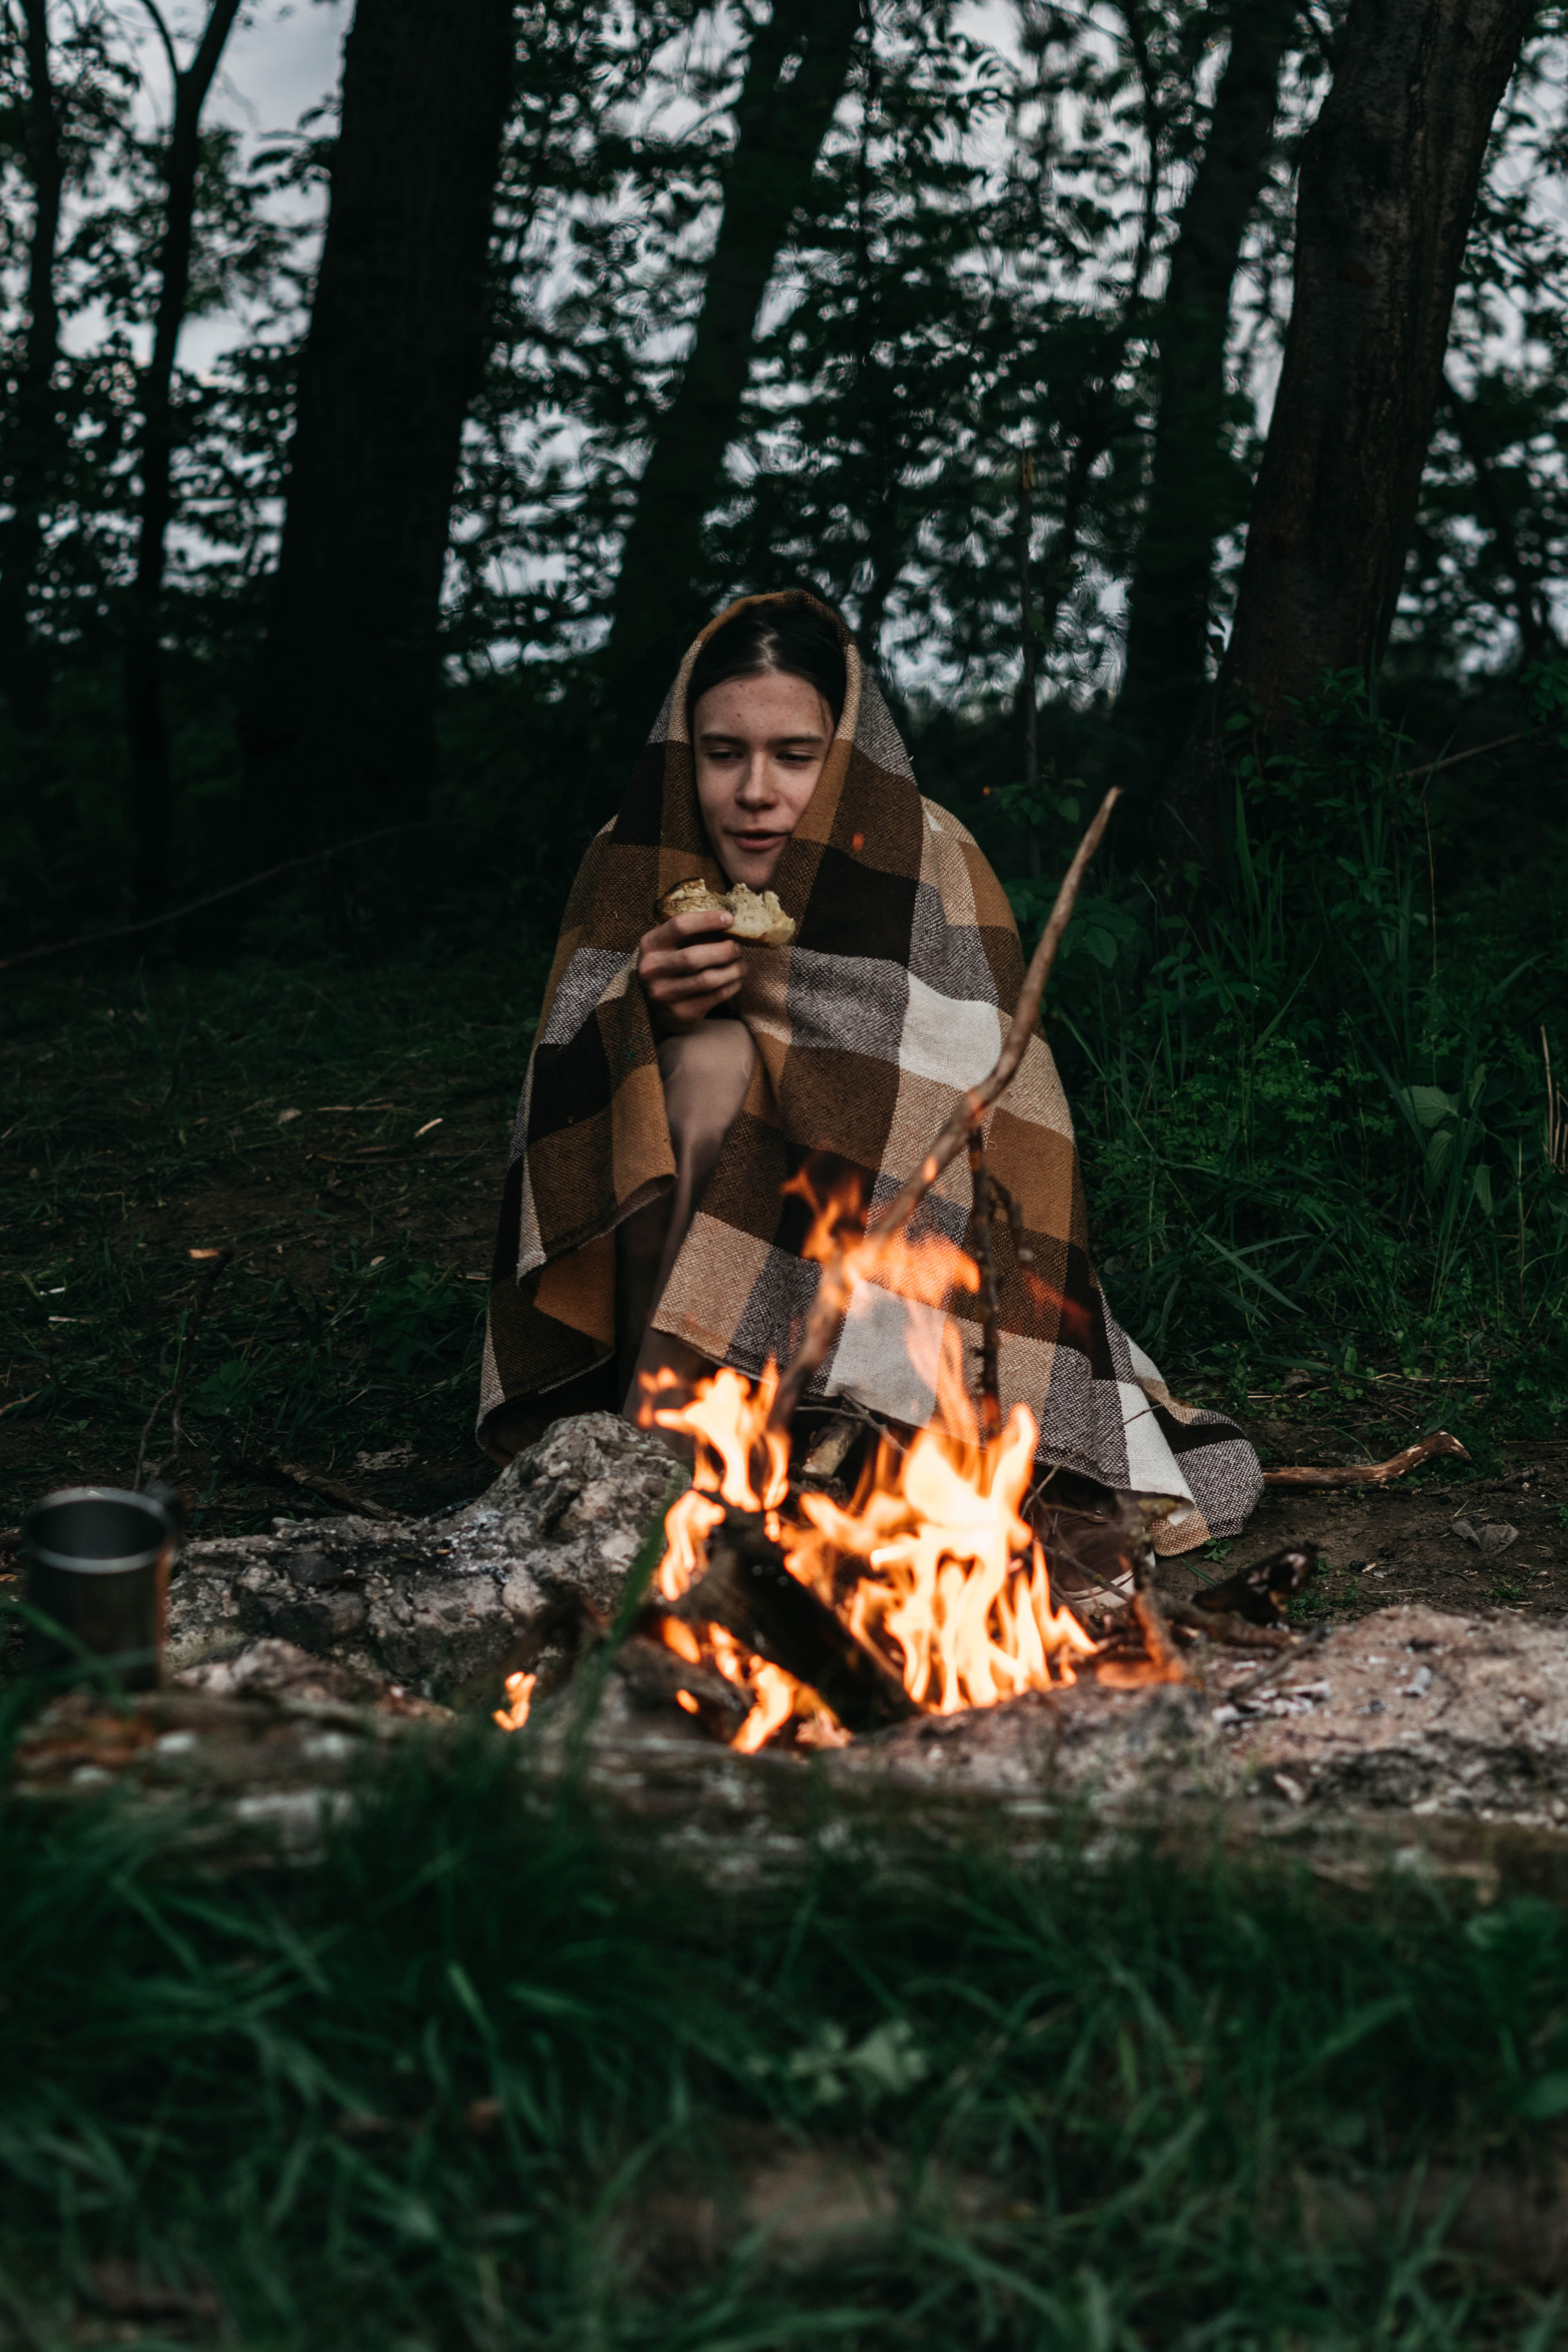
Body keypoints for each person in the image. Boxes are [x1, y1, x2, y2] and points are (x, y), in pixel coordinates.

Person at [479, 590, 1262, 1556]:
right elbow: (559, 1085)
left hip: (874, 1246)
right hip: (677, 1259)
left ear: (845, 751)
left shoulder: (925, 851)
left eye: (795, 756)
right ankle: (663, 1446)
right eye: (723, 754)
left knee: (747, 1079)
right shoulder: (633, 849)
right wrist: (643, 1010)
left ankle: (851, 1442)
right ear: (687, 754)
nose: (755, 791)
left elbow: (978, 1095)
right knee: (699, 1067)